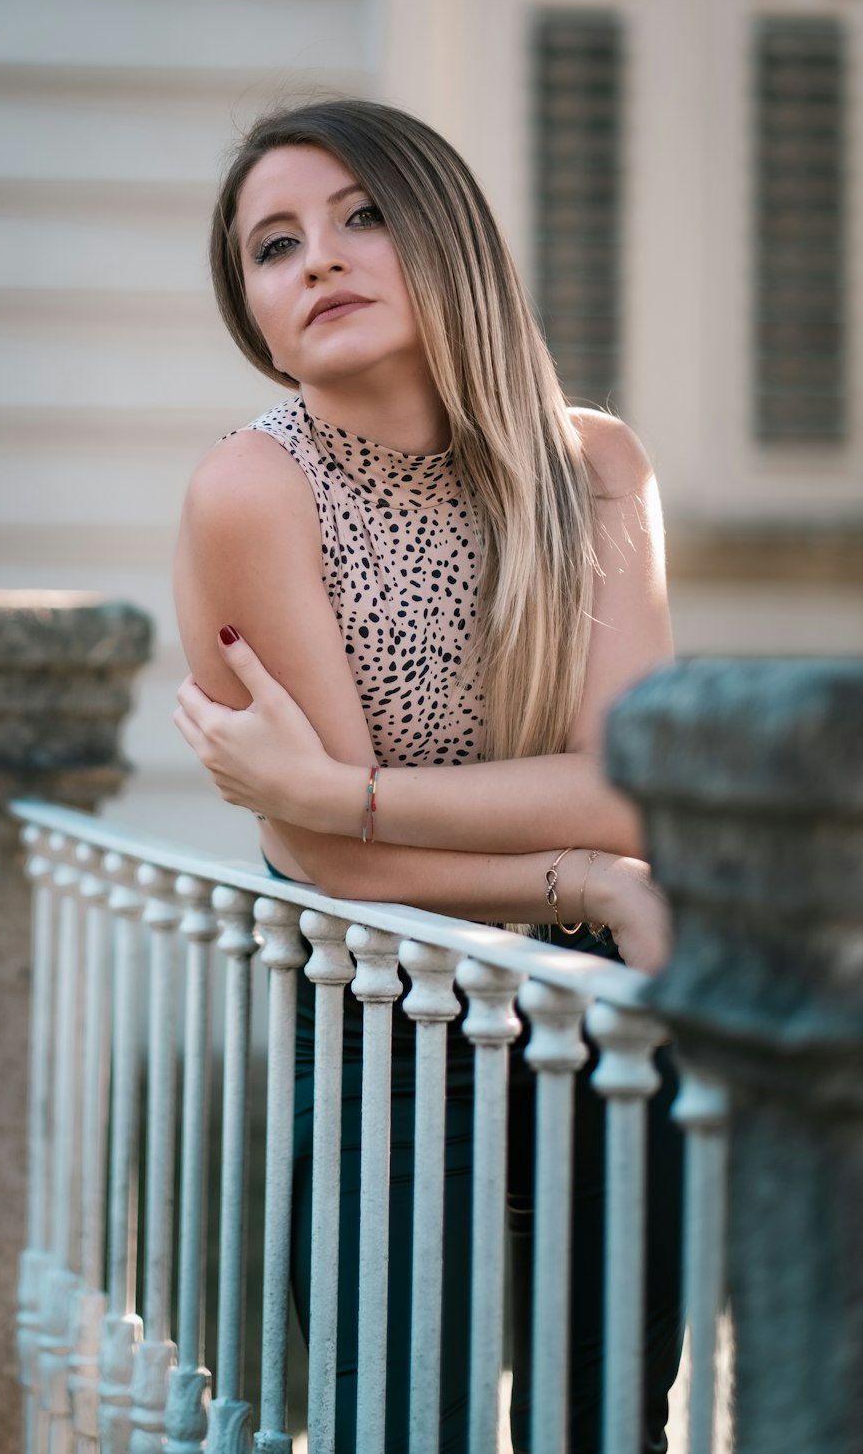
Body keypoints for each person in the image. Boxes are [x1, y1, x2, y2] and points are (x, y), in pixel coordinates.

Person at [172, 98, 683, 1454]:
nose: (320, 260)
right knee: (398, 1420)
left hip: (603, 1011)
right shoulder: (253, 489)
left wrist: (351, 792)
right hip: (389, 1011)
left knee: (614, 1415)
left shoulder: (596, 468)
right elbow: (331, 871)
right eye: (274, 247)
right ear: (258, 314)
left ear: (449, 236)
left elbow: (627, 782)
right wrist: (583, 875)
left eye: (364, 215)